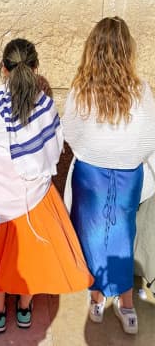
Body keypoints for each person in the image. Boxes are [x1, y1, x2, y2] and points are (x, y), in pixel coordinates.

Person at [0, 38, 94, 333]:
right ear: (35, 67)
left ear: (3, 69)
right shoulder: (44, 104)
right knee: (31, 257)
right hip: (35, 199)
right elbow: (54, 148)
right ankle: (23, 308)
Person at [62, 17, 155, 335]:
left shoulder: (81, 89)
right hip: (128, 176)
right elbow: (148, 137)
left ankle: (98, 299)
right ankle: (127, 307)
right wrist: (125, 154)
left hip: (91, 176)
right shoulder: (140, 89)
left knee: (92, 238)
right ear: (127, 49)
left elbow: (71, 133)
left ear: (92, 49)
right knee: (122, 238)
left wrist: (98, 151)